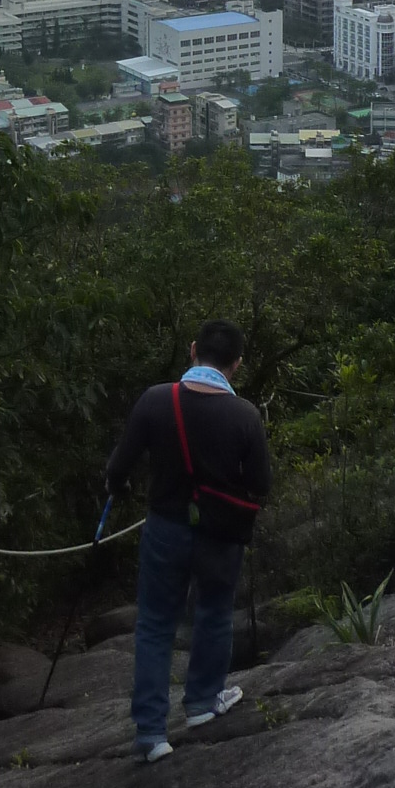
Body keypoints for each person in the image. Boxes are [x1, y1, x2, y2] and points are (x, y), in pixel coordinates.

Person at [104, 318, 271, 763]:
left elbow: (119, 468)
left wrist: (117, 486)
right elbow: (261, 483)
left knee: (156, 624)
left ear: (193, 349)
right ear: (235, 365)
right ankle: (201, 703)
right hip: (220, 532)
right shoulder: (246, 415)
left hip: (165, 528)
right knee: (214, 613)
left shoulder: (156, 400)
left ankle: (152, 733)